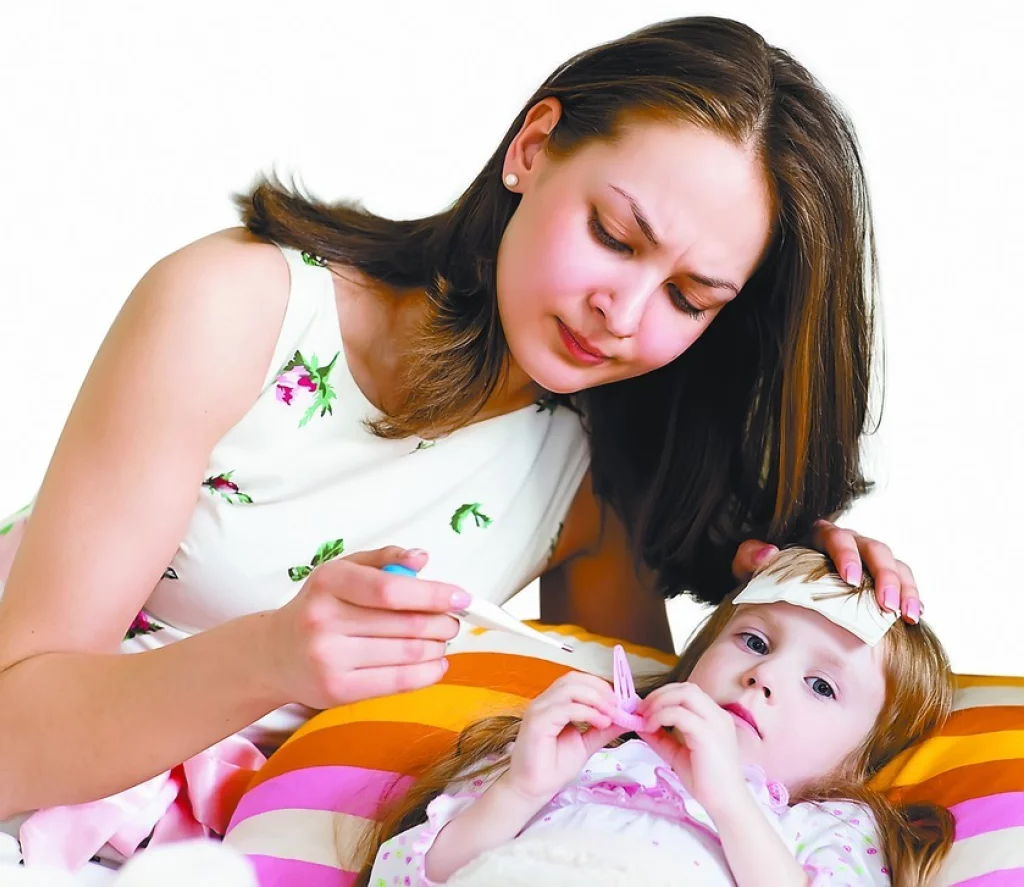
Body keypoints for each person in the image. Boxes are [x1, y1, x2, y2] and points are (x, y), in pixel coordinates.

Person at [0, 15, 921, 822]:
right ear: (533, 148)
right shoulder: (235, 310)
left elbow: (630, 757)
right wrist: (269, 657)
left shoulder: (595, 477)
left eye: (689, 297)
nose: (624, 314)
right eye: (613, 235)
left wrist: (811, 601)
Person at [361, 548, 954, 886]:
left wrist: (730, 802)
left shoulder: (824, 825)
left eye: (821, 685)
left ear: (858, 764)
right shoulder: (577, 753)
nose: (764, 675)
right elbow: (403, 877)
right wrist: (520, 790)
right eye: (753, 642)